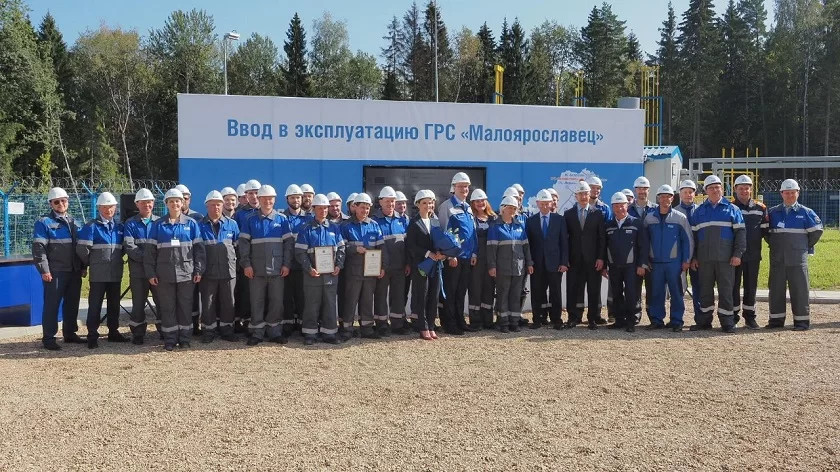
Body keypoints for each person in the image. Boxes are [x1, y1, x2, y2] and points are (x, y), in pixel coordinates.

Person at [144, 188, 205, 351]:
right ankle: (170, 339)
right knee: (167, 307)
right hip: (164, 275)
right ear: (166, 204)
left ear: (182, 202)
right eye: (171, 201)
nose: (175, 204)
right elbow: (150, 253)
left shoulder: (191, 224)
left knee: (185, 307)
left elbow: (199, 250)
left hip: (186, 274)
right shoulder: (158, 225)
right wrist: (151, 273)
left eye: (177, 201)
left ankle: (185, 338)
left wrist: (198, 270)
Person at [689, 175, 746, 333]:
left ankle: (727, 322)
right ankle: (704, 321)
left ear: (722, 189)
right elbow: (693, 238)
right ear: (706, 191)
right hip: (704, 259)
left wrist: (737, 254)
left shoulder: (732, 209)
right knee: (705, 291)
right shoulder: (699, 212)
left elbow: (741, 234)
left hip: (726, 259)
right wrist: (694, 257)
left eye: (717, 187)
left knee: (726, 291)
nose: (715, 190)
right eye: (711, 188)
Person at [765, 179, 823, 331]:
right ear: (781, 193)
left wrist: (803, 246)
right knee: (776, 289)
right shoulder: (773, 213)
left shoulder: (806, 212)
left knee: (800, 290)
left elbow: (817, 231)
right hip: (778, 258)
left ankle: (801, 322)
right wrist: (776, 245)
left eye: (793, 192)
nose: (790, 195)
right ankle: (776, 321)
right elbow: (766, 233)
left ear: (798, 193)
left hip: (798, 259)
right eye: (787, 193)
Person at [32, 187, 86, 350]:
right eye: (57, 202)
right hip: (55, 271)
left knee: (72, 304)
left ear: (67, 201)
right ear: (51, 204)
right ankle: (49, 338)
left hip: (74, 271)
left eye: (63, 201)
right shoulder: (44, 223)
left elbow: (80, 247)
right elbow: (39, 248)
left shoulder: (75, 222)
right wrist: (44, 270)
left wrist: (82, 266)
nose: (61, 204)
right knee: (52, 305)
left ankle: (70, 333)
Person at [239, 185, 293, 346]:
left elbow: (289, 245)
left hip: (277, 270)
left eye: (270, 199)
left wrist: (286, 264)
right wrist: (246, 265)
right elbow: (243, 244)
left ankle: (275, 332)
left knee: (277, 302)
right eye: (264, 198)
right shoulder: (250, 220)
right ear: (259, 199)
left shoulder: (282, 220)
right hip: (256, 271)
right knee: (257, 302)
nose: (267, 201)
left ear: (274, 200)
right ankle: (257, 332)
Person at [77, 191, 128, 349]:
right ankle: (92, 335)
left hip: (115, 273)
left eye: (111, 207)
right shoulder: (91, 227)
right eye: (105, 207)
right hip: (98, 274)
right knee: (95, 305)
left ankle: (113, 332)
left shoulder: (119, 227)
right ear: (99, 208)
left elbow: (123, 248)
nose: (108, 210)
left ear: (115, 208)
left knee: (114, 304)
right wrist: (90, 263)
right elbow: (82, 249)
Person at [295, 193, 345, 345]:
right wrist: (309, 268)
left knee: (330, 304)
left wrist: (339, 265)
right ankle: (310, 334)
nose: (323, 211)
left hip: (330, 275)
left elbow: (341, 249)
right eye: (320, 208)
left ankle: (329, 333)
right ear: (314, 209)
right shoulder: (306, 229)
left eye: (325, 208)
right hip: (312, 275)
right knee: (312, 304)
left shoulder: (334, 228)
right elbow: (300, 252)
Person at [643, 185, 693, 332]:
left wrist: (686, 260)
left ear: (672, 198)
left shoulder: (680, 217)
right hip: (655, 263)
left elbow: (688, 240)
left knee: (676, 293)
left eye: (668, 196)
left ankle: (677, 321)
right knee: (656, 293)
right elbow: (644, 241)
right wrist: (645, 260)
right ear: (658, 198)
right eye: (662, 196)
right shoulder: (649, 218)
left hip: (674, 263)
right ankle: (656, 320)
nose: (665, 199)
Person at [341, 192, 387, 340]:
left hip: (370, 272)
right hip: (353, 271)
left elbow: (382, 248)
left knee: (367, 300)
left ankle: (367, 329)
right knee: (350, 300)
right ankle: (347, 329)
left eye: (367, 208)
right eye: (362, 207)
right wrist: (354, 249)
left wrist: (382, 267)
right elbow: (341, 247)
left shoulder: (374, 225)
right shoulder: (346, 226)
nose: (365, 210)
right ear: (355, 207)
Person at [437, 172, 478, 335]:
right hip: (453, 258)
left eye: (466, 186)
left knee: (461, 292)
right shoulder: (446, 206)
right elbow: (443, 233)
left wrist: (474, 253)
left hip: (467, 258)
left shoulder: (468, 207)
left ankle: (460, 321)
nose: (464, 189)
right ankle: (449, 323)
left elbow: (472, 233)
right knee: (450, 291)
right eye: (460, 186)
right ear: (453, 188)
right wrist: (450, 255)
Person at [197, 191, 240, 343]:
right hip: (208, 271)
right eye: (212, 204)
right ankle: (208, 331)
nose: (216, 207)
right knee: (208, 303)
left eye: (218, 204)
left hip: (228, 271)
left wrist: (236, 266)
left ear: (222, 206)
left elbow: (238, 247)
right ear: (206, 206)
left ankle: (227, 330)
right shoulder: (199, 225)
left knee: (228, 302)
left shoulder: (232, 224)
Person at [564, 180, 607, 330]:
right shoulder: (568, 214)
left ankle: (592, 318)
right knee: (573, 289)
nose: (583, 197)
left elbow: (602, 238)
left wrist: (601, 258)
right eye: (580, 194)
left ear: (590, 195)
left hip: (593, 260)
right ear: (576, 196)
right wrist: (565, 259)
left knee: (593, 290)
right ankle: (573, 317)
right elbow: (565, 239)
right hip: (574, 260)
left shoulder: (598, 214)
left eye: (586, 194)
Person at [488, 195, 534, 332]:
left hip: (518, 268)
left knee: (515, 295)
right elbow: (491, 249)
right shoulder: (495, 227)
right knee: (503, 295)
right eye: (510, 208)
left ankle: (514, 322)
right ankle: (503, 323)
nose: (512, 211)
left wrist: (529, 263)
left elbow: (526, 247)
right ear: (503, 209)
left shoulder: (519, 226)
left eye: (514, 208)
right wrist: (492, 266)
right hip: (502, 268)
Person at [604, 192, 649, 332]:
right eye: (616, 206)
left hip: (632, 267)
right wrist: (605, 265)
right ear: (612, 207)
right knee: (616, 293)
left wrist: (642, 265)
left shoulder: (636, 223)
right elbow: (604, 246)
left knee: (632, 294)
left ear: (627, 206)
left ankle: (631, 321)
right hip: (614, 266)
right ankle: (619, 320)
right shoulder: (608, 225)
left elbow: (643, 246)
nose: (619, 209)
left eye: (622, 205)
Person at [525, 189, 569, 330]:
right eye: (542, 203)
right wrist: (529, 262)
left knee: (555, 292)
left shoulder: (559, 220)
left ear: (551, 203)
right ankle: (538, 319)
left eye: (547, 203)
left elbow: (564, 243)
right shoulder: (530, 221)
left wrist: (564, 262)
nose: (544, 206)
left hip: (555, 264)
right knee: (537, 292)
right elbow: (528, 244)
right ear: (537, 203)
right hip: (537, 264)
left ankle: (556, 319)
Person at [406, 190, 445, 340]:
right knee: (422, 295)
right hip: (421, 265)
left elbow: (439, 240)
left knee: (434, 296)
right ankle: (423, 327)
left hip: (435, 264)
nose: (428, 205)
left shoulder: (435, 221)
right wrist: (428, 253)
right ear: (418, 205)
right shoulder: (414, 223)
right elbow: (411, 245)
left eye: (430, 203)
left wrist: (441, 252)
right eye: (424, 203)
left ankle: (431, 325)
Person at [124, 188, 161, 344]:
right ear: (137, 204)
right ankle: (138, 333)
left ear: (153, 203)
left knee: (161, 301)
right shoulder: (130, 223)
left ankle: (164, 331)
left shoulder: (159, 222)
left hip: (157, 271)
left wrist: (153, 261)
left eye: (149, 202)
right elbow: (130, 247)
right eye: (143, 202)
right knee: (138, 303)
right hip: (138, 272)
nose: (147, 205)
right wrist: (148, 259)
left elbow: (163, 246)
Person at [731, 175, 768, 329]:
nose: (744, 191)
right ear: (735, 189)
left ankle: (750, 317)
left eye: (747, 188)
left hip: (753, 254)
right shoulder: (730, 207)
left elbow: (766, 231)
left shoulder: (761, 208)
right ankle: (733, 317)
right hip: (734, 255)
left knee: (751, 287)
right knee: (733, 286)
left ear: (751, 189)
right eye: (741, 188)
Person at [373, 186, 410, 335]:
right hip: (382, 268)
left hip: (400, 266)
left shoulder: (402, 220)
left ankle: (397, 324)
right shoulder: (374, 221)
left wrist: (407, 263)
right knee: (380, 296)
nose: (390, 204)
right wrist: (378, 266)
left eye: (393, 201)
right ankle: (381, 324)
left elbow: (407, 245)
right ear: (380, 202)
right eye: (387, 201)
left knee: (398, 296)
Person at [281, 184, 312, 335]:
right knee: (286, 296)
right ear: (287, 199)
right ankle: (287, 325)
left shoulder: (309, 218)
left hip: (303, 264)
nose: (296, 200)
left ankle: (301, 324)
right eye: (292, 197)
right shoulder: (281, 218)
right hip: (286, 264)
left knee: (302, 296)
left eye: (298, 197)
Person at [233, 179, 261, 334]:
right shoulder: (239, 214)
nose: (254, 196)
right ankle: (245, 322)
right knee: (246, 293)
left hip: (264, 262)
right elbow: (239, 241)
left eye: (256, 193)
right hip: (247, 262)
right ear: (246, 195)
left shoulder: (268, 212)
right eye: (250, 193)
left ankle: (259, 322)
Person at [466, 189, 498, 330]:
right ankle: (475, 321)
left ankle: (488, 320)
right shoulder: (470, 218)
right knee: (475, 289)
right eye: (477, 201)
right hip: (477, 260)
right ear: (473, 203)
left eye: (482, 200)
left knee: (489, 288)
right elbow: (469, 239)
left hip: (491, 259)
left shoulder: (494, 218)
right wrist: (473, 254)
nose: (480, 203)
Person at [629, 176, 656, 323]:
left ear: (648, 190)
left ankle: (653, 316)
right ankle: (635, 316)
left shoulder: (656, 209)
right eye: (639, 188)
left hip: (652, 256)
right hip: (633, 256)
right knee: (634, 289)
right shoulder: (628, 210)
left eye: (645, 188)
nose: (642, 191)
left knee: (652, 289)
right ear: (635, 190)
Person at [676, 180, 701, 319]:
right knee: (678, 289)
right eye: (685, 192)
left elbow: (701, 237)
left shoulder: (700, 211)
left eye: (690, 192)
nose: (688, 195)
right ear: (680, 194)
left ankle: (699, 318)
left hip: (697, 258)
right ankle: (677, 319)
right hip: (679, 258)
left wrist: (695, 257)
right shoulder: (674, 212)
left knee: (698, 288)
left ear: (694, 194)